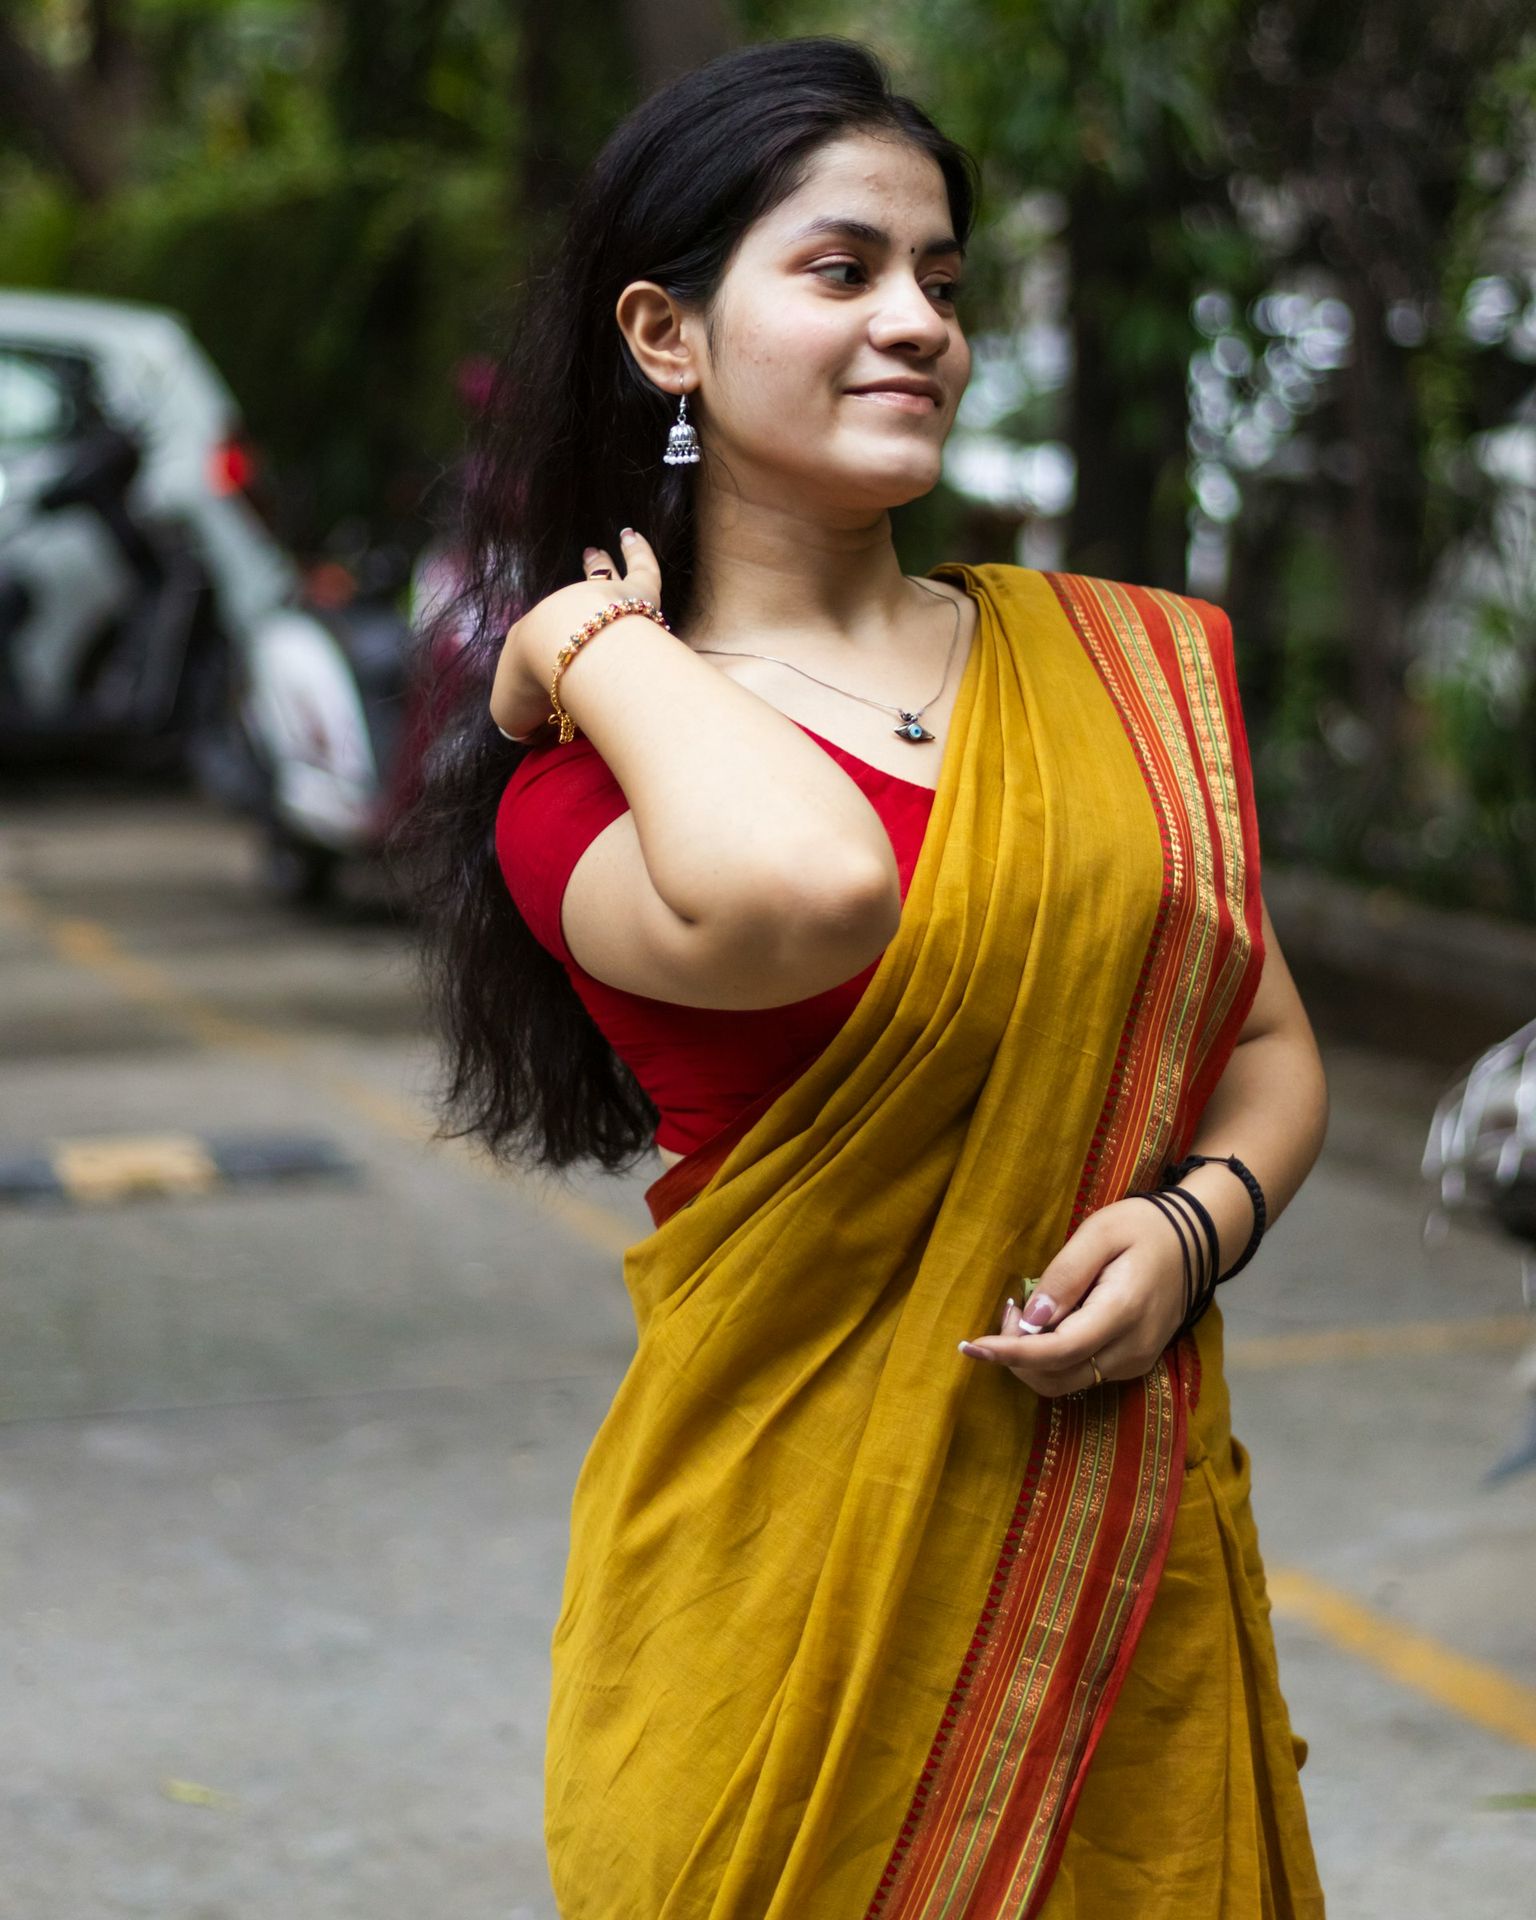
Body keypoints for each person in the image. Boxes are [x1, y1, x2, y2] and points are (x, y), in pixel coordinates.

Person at [407, 34, 1330, 1919]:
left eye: (942, 281)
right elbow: (813, 887)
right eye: (842, 270)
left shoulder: (1109, 673)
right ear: (666, 335)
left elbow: (1271, 1047)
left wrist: (1190, 1229)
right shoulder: (582, 793)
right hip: (782, 1635)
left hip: (1113, 1603)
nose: (918, 323)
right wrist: (589, 638)